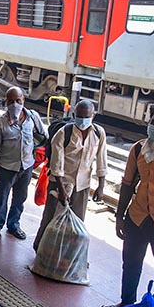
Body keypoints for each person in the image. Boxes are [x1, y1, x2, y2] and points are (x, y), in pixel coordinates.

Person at [97, 101, 154, 307]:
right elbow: (127, 184)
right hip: (137, 218)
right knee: (131, 263)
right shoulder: (138, 149)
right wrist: (120, 217)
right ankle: (126, 303)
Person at [33, 100, 107, 250]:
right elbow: (56, 164)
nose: (83, 120)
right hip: (60, 182)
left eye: (86, 116)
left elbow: (101, 159)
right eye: (79, 116)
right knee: (51, 218)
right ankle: (41, 249)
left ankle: (69, 254)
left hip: (83, 184)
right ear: (74, 115)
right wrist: (61, 190)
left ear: (93, 115)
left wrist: (101, 185)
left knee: (77, 221)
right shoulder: (64, 133)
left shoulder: (99, 133)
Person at [0, 87, 46, 240]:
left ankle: (14, 225)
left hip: (26, 166)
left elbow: (44, 136)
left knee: (20, 198)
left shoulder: (33, 118)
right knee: (1, 198)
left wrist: (35, 151)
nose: (15, 104)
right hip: (6, 168)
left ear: (23, 101)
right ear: (6, 102)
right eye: (11, 101)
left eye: (18, 101)